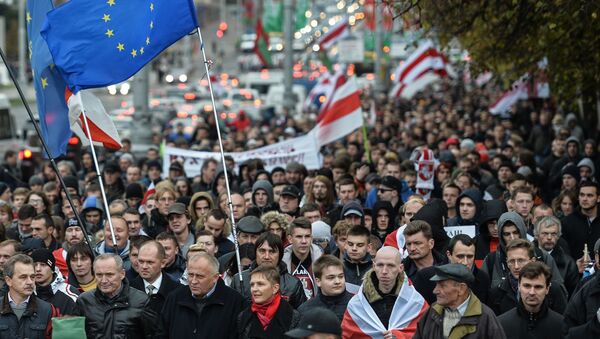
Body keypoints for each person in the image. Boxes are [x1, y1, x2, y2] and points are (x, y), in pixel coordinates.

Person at [341, 247, 427, 338]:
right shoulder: (357, 304)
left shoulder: (416, 302)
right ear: (374, 266)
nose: (384, 271)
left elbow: (427, 333)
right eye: (380, 265)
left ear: (400, 268)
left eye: (390, 265)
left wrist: (400, 336)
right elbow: (346, 335)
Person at [161, 253, 244, 339]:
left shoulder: (234, 301)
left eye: (199, 276)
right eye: (190, 275)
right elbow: (162, 333)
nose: (193, 281)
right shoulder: (175, 298)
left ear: (215, 277)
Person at [77, 253, 161, 338]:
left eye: (109, 275)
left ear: (122, 274)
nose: (104, 280)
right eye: (99, 275)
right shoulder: (84, 301)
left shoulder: (141, 302)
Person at [414, 263, 506, 339]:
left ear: (461, 289)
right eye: (436, 285)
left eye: (442, 286)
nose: (435, 291)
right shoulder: (432, 311)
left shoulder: (485, 318)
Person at [488, 239, 566, 315]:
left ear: (533, 261)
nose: (516, 266)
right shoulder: (497, 293)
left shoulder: (553, 290)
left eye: (521, 261)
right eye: (511, 261)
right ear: (507, 262)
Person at [232, 232, 306, 308]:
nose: (267, 256)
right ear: (255, 253)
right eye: (262, 251)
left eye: (272, 251)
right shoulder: (239, 280)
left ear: (280, 255)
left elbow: (301, 316)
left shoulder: (293, 284)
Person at [413, 234, 490, 305]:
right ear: (449, 255)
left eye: (470, 257)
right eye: (460, 256)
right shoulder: (426, 277)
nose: (465, 262)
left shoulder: (483, 278)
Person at [498, 262, 564, 339]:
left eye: (538, 287)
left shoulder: (561, 325)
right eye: (527, 286)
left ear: (547, 289)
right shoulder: (501, 324)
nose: (532, 292)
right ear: (519, 286)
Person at [237, 265, 300, 338]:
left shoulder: (294, 317)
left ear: (275, 288)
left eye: (260, 284)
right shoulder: (243, 317)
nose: (254, 289)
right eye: (252, 285)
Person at [0, 254, 53, 337]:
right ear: (8, 280)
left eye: (32, 277)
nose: (30, 282)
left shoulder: (47, 310)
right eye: (23, 277)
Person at [130, 240, 180, 314]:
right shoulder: (128, 289)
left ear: (162, 263)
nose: (144, 266)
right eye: (141, 261)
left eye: (150, 262)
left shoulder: (177, 291)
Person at [533, 215, 579, 296]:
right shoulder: (527, 257)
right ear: (537, 235)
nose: (549, 237)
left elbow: (572, 295)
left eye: (554, 234)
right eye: (545, 233)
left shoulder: (568, 263)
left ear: (558, 236)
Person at [298, 255, 352, 321]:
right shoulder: (306, 310)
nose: (337, 281)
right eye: (331, 278)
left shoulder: (357, 305)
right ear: (318, 281)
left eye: (341, 276)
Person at [282, 217, 323, 299]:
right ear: (290, 239)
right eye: (299, 237)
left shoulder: (322, 260)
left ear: (311, 238)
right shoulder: (281, 263)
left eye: (307, 236)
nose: (304, 241)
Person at [31, 249, 80, 316]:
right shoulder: (27, 293)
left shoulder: (70, 294)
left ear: (52, 269)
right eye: (34, 265)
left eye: (43, 265)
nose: (38, 269)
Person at [342, 225, 373, 293]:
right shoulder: (337, 267)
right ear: (345, 245)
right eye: (350, 244)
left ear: (369, 247)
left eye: (360, 245)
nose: (354, 248)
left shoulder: (376, 269)